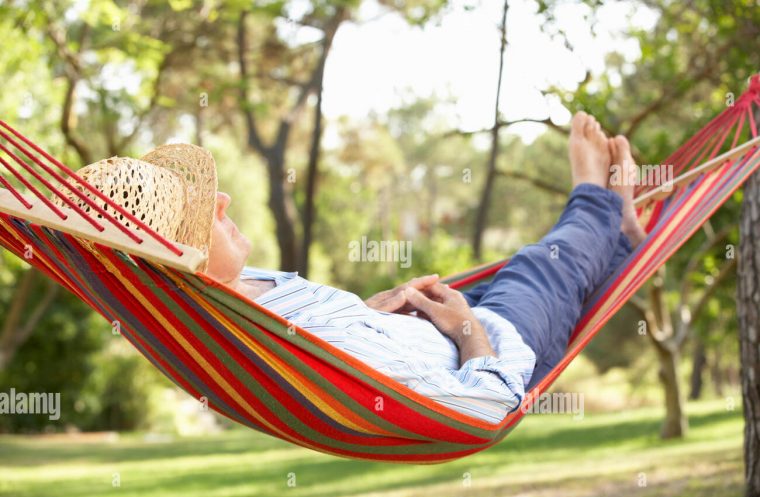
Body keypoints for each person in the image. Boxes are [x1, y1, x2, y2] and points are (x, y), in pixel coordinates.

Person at [64, 112, 647, 425]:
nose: (224, 202)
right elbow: (486, 406)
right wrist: (467, 325)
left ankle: (622, 234)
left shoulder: (246, 304)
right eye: (200, 216)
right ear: (179, 260)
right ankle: (593, 193)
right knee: (543, 266)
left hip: (436, 326)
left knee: (540, 271)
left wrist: (373, 309)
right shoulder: (245, 331)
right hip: (496, 349)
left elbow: (327, 345)